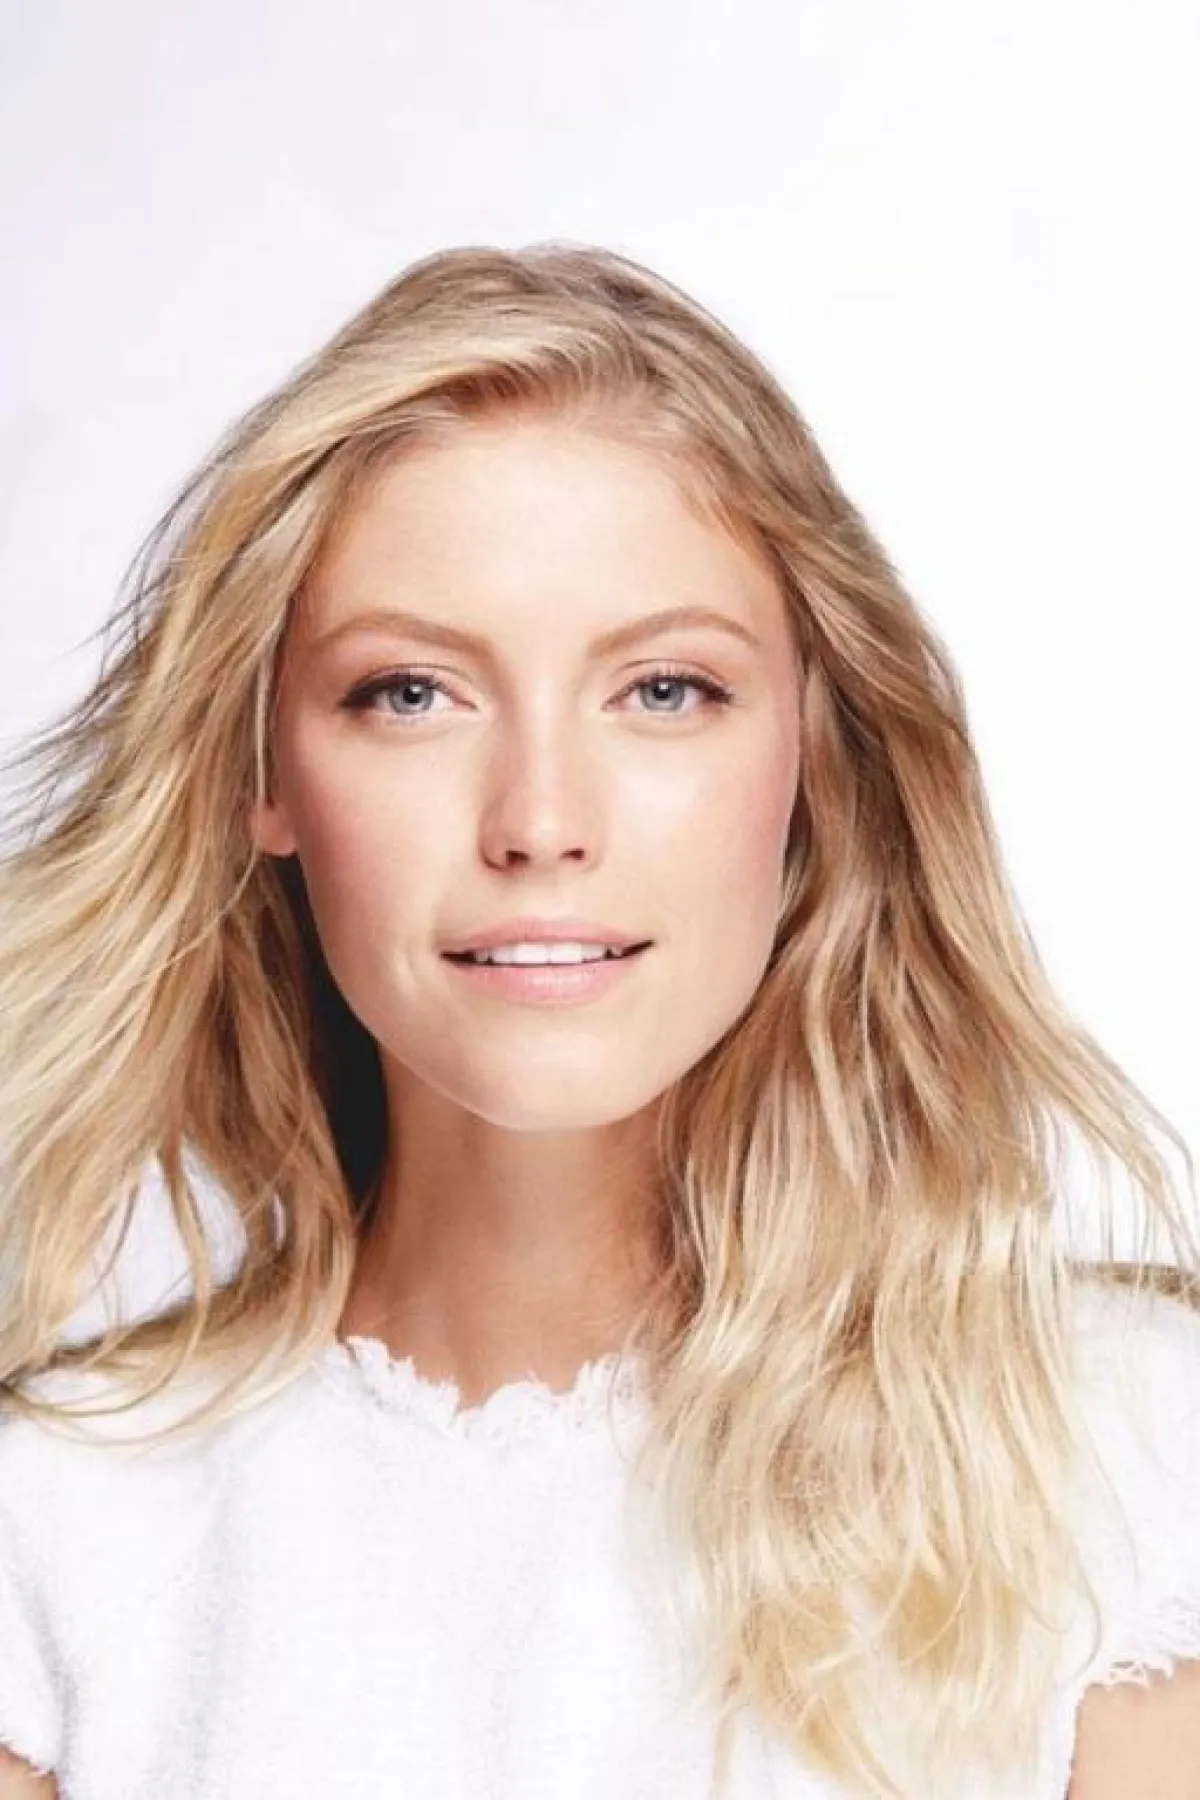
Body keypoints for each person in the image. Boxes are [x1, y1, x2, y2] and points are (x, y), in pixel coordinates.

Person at [0, 242, 1197, 1800]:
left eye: (664, 690)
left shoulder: (1117, 1449)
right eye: (411, 693)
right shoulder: (62, 1527)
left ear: (814, 758)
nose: (541, 821)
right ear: (266, 774)